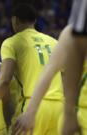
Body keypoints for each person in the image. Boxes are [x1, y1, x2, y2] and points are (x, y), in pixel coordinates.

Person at [0, 3, 64, 135]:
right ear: (35, 20)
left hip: (33, 106)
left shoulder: (12, 42)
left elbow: (4, 80)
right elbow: (66, 76)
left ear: (14, 20)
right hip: (59, 108)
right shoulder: (54, 42)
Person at [18, 0, 87, 135]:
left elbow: (49, 70)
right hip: (78, 114)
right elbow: (49, 70)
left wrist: (31, 111)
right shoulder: (72, 33)